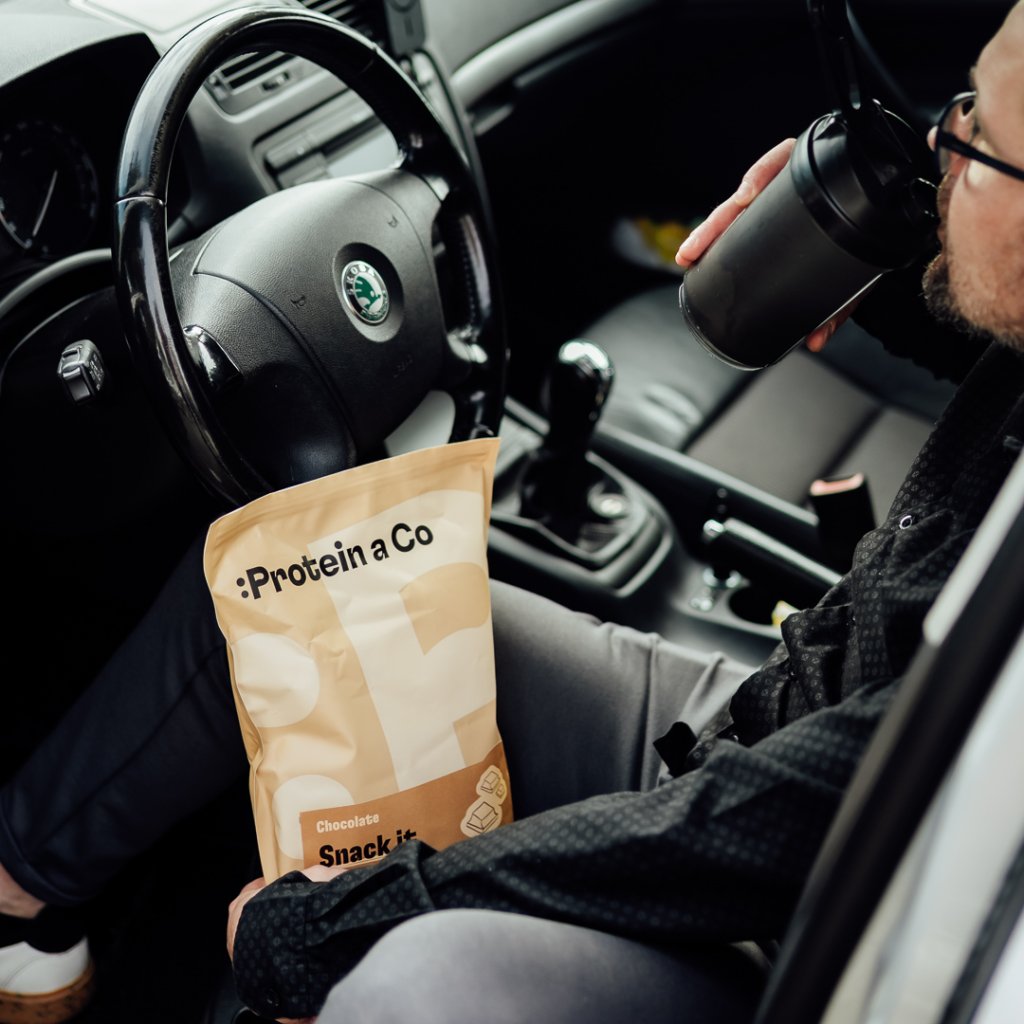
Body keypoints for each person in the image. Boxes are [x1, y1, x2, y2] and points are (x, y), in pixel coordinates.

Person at [1, 6, 1023, 1024]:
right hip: (786, 712)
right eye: (962, 99)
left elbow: (817, 816)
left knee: (407, 985)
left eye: (977, 138)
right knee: (287, 582)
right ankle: (19, 894)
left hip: (836, 926)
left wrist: (343, 920)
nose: (943, 140)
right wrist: (896, 263)